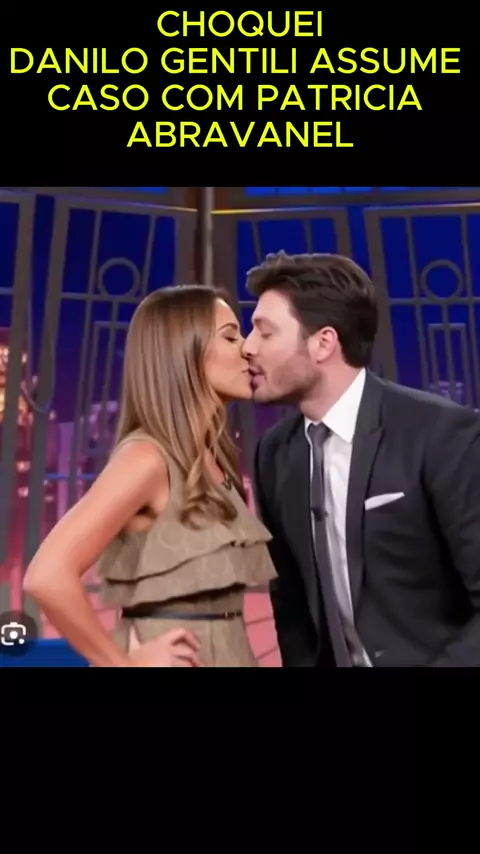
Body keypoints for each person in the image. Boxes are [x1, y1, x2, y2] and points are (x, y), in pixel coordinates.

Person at [243, 250, 480, 667]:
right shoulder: (274, 453)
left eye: (265, 333)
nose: (248, 347)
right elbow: (290, 603)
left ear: (323, 343)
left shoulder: (440, 434)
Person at [24, 285, 276, 667]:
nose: (247, 348)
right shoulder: (147, 458)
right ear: (184, 353)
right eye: (230, 337)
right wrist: (121, 665)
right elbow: (47, 575)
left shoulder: (214, 458)